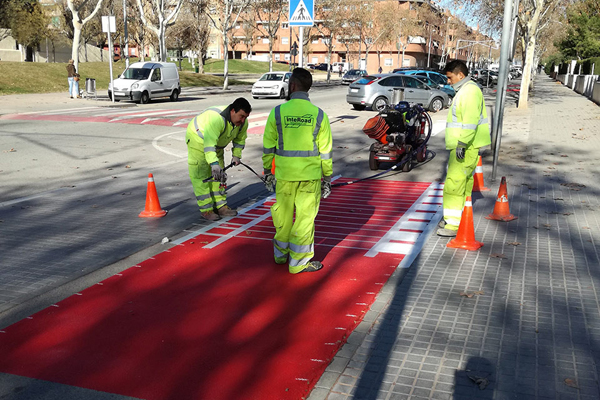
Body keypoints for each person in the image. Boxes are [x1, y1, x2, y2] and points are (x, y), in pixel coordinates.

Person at [262, 68, 333, 274]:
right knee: (304, 219)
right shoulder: (319, 115)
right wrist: (327, 178)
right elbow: (326, 152)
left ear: (292, 86)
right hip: (310, 178)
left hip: (284, 176)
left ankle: (280, 255)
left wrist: (268, 171)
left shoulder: (277, 112)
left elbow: (268, 146)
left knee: (283, 216)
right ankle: (299, 263)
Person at [438, 60, 490, 237]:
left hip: (464, 146)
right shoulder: (468, 90)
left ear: (460, 75)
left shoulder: (468, 92)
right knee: (464, 183)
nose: (448, 82)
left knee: (454, 183)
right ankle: (459, 217)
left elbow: (469, 122)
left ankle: (452, 224)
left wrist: (461, 143)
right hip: (467, 146)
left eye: (450, 78)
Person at [185, 98, 252, 221]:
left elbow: (240, 139)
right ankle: (206, 210)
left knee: (219, 176)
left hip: (217, 145)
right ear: (232, 111)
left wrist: (236, 155)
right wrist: (214, 164)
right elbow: (209, 144)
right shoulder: (217, 119)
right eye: (241, 116)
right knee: (202, 177)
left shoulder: (242, 122)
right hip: (197, 139)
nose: (242, 120)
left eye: (245, 117)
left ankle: (221, 207)